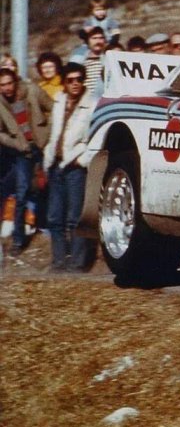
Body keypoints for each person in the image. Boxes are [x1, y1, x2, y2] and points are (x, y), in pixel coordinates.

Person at [42, 63, 97, 271]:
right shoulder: (59, 100)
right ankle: (58, 261)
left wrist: (80, 160)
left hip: (75, 166)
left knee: (75, 218)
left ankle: (77, 263)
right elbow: (54, 132)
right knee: (55, 217)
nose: (75, 84)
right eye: (70, 80)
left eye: (79, 79)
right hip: (55, 164)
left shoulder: (91, 104)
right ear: (64, 82)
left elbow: (93, 139)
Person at [0, 67, 53, 256]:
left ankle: (49, 229)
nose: (6, 88)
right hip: (23, 150)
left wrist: (46, 133)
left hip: (42, 144)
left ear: (15, 81)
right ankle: (18, 239)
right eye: (2, 85)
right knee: (22, 193)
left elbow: (54, 108)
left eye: (9, 83)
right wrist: (15, 143)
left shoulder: (31, 90)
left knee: (48, 187)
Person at [70, 27, 108, 97]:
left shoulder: (108, 61)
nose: (98, 41)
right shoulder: (78, 62)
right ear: (88, 41)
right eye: (94, 38)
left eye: (101, 38)